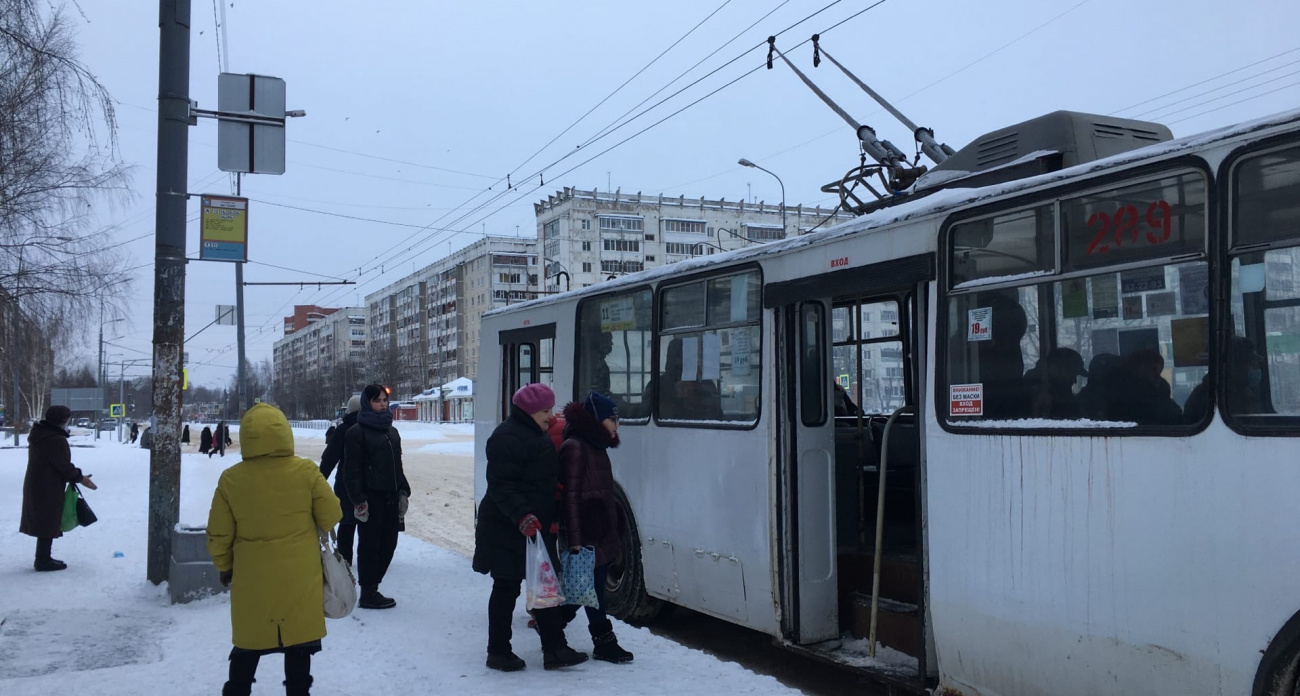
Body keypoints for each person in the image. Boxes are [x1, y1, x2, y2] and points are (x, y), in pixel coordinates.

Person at [206, 403, 342, 696]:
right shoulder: (306, 471)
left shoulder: (231, 479)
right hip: (300, 579)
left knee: (248, 645)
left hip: (252, 581)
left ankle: (237, 690)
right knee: (298, 644)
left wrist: (225, 567)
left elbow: (218, 535)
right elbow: (332, 515)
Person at [473, 383, 588, 672]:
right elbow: (501, 484)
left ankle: (555, 648)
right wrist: (522, 515)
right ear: (529, 411)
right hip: (507, 527)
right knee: (506, 588)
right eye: (545, 411)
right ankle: (498, 651)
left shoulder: (533, 433)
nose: (551, 416)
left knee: (544, 586)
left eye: (551, 409)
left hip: (533, 528)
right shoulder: (507, 437)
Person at [558, 391, 635, 664]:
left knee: (587, 589)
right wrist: (575, 540)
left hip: (600, 529)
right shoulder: (576, 447)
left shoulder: (597, 445)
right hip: (586, 533)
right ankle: (604, 642)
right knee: (592, 589)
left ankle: (552, 625)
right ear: (596, 419)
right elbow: (570, 497)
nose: (617, 425)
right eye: (612, 419)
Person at [344, 385, 410, 610]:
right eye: (377, 400)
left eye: (384, 400)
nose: (382, 404)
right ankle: (368, 591)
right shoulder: (356, 432)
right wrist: (358, 499)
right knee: (370, 545)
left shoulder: (391, 431)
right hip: (370, 499)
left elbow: (397, 465)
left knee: (389, 543)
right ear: (367, 403)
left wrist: (403, 490)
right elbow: (351, 470)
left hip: (391, 496)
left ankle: (374, 584)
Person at [20, 405, 98, 572]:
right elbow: (64, 467)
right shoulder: (55, 439)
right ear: (64, 420)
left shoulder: (39, 434)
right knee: (48, 519)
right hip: (49, 485)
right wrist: (81, 478)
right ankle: (43, 560)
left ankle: (43, 557)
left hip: (37, 483)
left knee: (45, 519)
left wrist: (78, 476)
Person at [320, 395, 361, 564]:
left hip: (345, 484)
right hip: (368, 484)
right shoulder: (371, 426)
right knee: (368, 525)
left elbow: (329, 458)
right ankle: (368, 559)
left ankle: (345, 559)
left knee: (347, 523)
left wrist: (319, 480)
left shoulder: (343, 429)